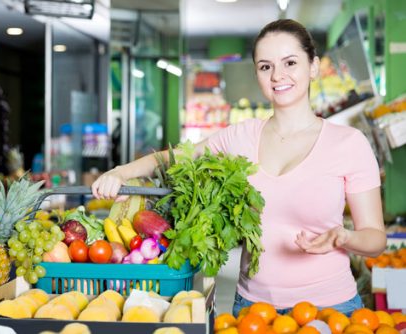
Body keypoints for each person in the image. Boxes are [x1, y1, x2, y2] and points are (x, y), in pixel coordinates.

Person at [91, 19, 386, 316]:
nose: (278, 75)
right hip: (252, 309)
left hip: (332, 308)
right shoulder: (240, 136)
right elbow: (176, 157)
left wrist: (344, 237)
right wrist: (121, 172)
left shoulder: (348, 143)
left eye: (290, 62)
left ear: (313, 67)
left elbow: (375, 239)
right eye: (265, 66)